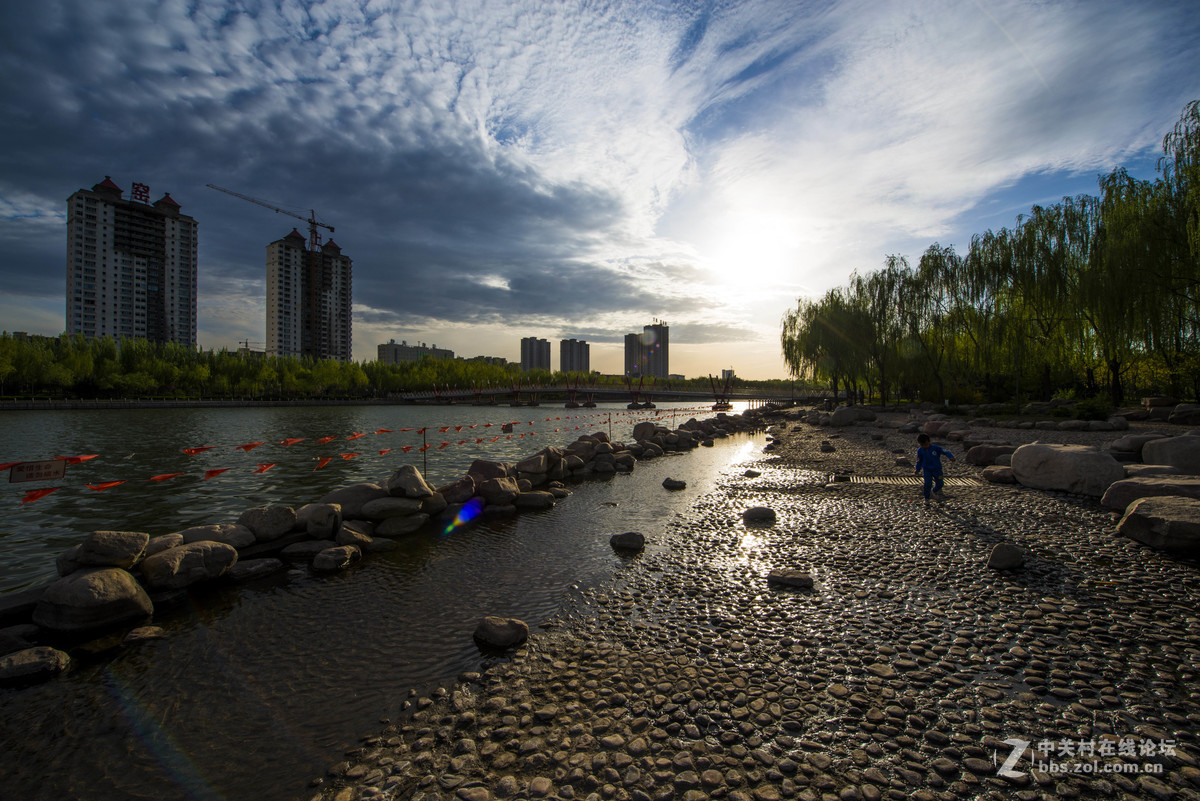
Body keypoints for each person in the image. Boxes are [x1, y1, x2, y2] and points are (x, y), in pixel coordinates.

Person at [914, 433, 955, 506]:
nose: (924, 446)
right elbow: (919, 460)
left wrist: (950, 457)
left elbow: (945, 451)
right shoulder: (920, 450)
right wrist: (917, 469)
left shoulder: (936, 448)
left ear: (929, 441)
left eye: (925, 444)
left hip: (937, 469)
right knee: (927, 484)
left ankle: (933, 491)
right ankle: (927, 498)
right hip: (927, 469)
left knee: (940, 483)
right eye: (922, 445)